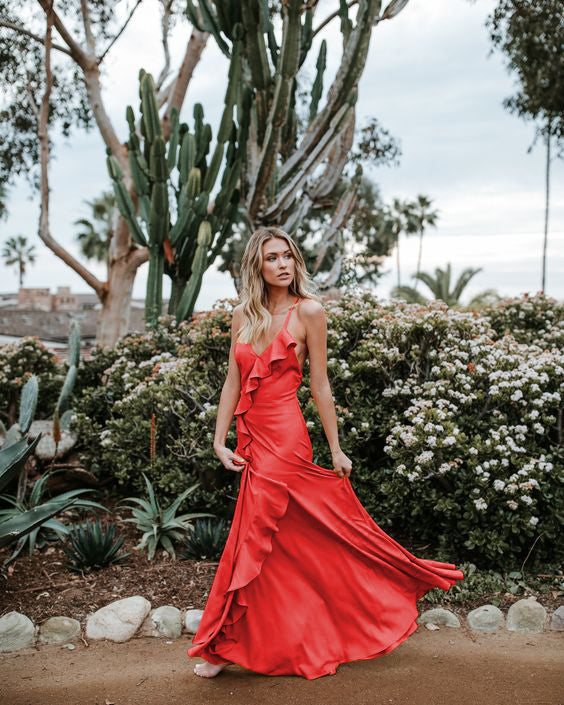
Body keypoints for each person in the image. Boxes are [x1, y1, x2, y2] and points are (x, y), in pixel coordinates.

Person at [188, 226, 464, 679]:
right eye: (272, 257)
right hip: (249, 437)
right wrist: (219, 441)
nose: (282, 264)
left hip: (286, 437)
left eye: (288, 256)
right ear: (257, 266)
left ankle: (222, 646)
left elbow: (320, 384)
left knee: (255, 534)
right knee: (280, 543)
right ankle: (253, 640)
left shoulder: (310, 311)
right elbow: (231, 383)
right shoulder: (243, 315)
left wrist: (336, 448)